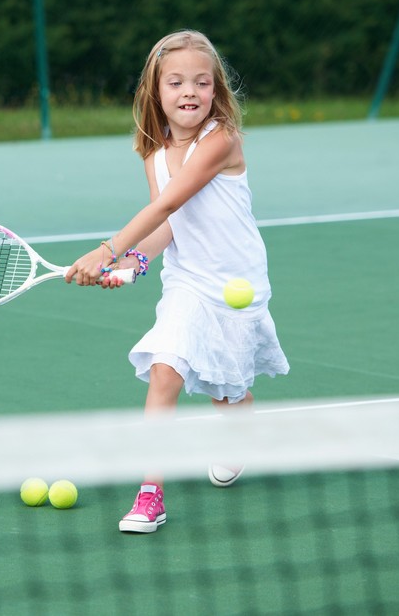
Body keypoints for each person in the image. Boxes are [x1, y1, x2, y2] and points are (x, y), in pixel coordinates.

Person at [64, 29, 289, 534]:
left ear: (216, 90)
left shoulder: (221, 140)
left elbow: (166, 203)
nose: (190, 91)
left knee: (228, 393)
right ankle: (151, 493)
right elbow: (169, 224)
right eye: (176, 82)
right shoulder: (154, 154)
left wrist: (105, 252)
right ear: (156, 91)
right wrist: (133, 266)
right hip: (187, 281)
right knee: (165, 370)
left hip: (237, 282)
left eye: (202, 82)